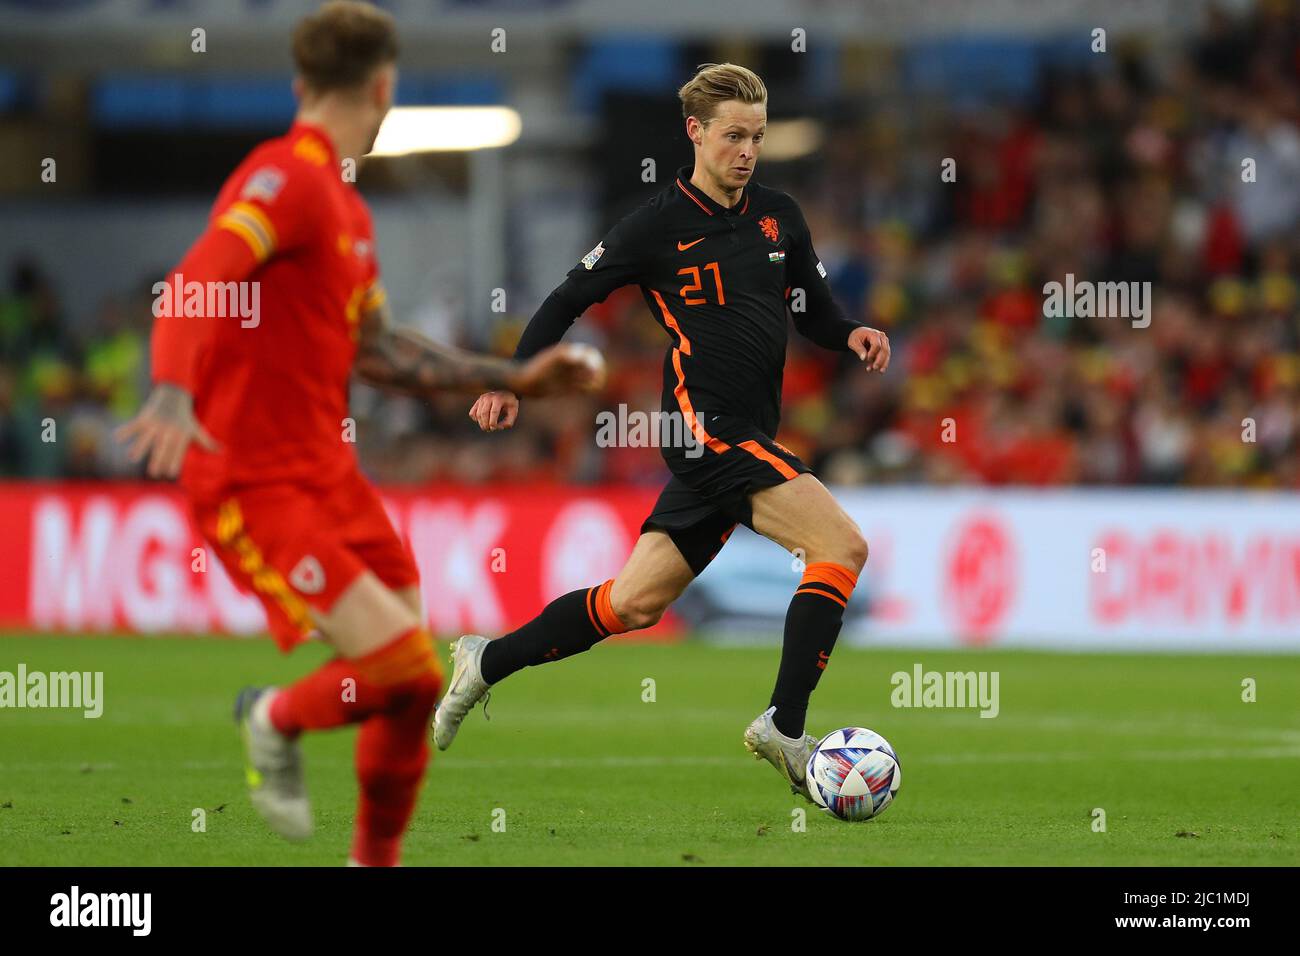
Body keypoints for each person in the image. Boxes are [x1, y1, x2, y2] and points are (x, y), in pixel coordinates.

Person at [116, 0, 603, 866]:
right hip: (253, 479)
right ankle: (272, 716)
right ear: (384, 85)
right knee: (410, 672)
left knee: (407, 680)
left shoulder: (347, 213)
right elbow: (199, 275)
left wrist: (514, 377)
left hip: (328, 477)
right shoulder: (286, 179)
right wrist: (171, 389)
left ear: (305, 81)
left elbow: (379, 352)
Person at [438, 63, 890, 802]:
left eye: (757, 136)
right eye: (734, 136)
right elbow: (564, 300)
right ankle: (784, 724)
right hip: (701, 430)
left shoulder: (779, 215)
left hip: (742, 435)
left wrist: (851, 335)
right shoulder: (654, 226)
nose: (747, 150)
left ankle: (486, 660)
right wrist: (509, 380)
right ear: (696, 133)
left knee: (631, 605)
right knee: (841, 545)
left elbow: (812, 309)